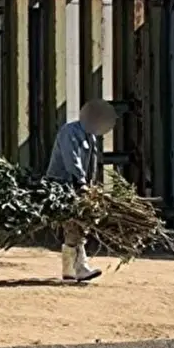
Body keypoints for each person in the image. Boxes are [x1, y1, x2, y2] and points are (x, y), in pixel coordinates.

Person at [45, 98, 118, 283]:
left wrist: (91, 185)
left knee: (77, 223)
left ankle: (70, 269)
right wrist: (81, 182)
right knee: (75, 222)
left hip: (78, 184)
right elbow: (72, 159)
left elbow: (91, 164)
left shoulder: (90, 136)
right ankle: (80, 268)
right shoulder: (70, 131)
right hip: (63, 184)